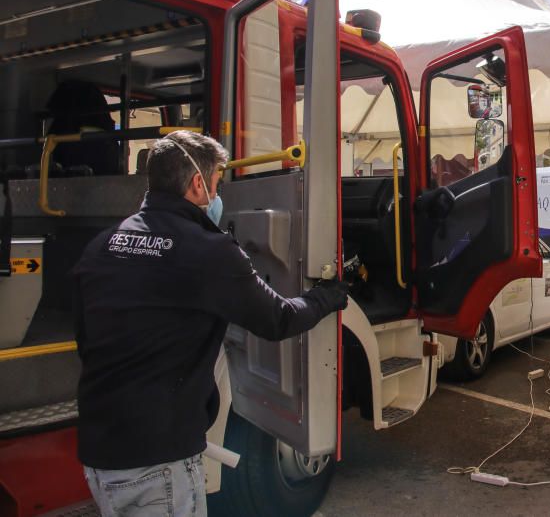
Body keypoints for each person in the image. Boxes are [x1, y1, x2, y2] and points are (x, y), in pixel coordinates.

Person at [72, 130, 352, 517]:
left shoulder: (104, 244)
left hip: (99, 453)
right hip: (158, 460)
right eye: (219, 183)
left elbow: (86, 340)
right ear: (197, 184)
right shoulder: (208, 250)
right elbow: (277, 318)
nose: (220, 197)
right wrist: (327, 297)